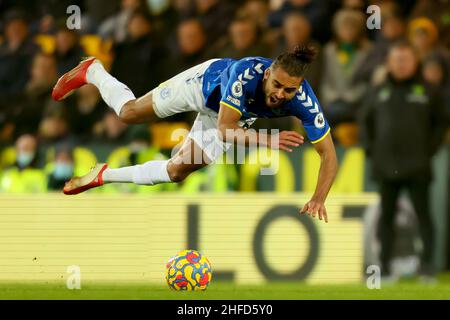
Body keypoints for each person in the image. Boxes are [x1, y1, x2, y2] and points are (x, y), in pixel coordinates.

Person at [52, 45, 338, 222]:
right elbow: (226, 130)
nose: (280, 94)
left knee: (177, 173)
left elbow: (329, 155)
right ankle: (93, 71)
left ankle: (103, 175)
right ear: (267, 75)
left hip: (235, 115)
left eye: (289, 90)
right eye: (277, 84)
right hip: (202, 86)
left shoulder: (305, 102)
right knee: (128, 113)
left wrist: (318, 198)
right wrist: (268, 139)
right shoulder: (243, 74)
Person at [360, 41, 448, 279]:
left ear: (415, 62)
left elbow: (441, 123)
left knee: (424, 216)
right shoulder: (377, 91)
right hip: (386, 166)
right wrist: (372, 150)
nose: (400, 64)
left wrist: (429, 149)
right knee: (385, 218)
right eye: (396, 59)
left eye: (405, 59)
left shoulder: (429, 90)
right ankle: (384, 268)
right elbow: (364, 123)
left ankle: (428, 268)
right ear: (388, 62)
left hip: (418, 165)